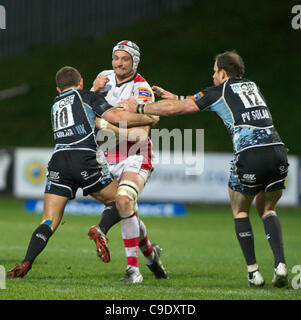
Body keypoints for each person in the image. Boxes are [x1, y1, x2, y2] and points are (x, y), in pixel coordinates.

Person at [120, 51, 289, 288]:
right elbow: (211, 101)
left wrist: (138, 108)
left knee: (240, 211)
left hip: (250, 155)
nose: (212, 76)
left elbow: (174, 110)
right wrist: (177, 96)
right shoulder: (252, 86)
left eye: (214, 71)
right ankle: (280, 264)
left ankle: (254, 273)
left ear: (222, 72)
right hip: (278, 152)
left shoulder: (219, 90)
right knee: (268, 209)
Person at [6, 66, 157, 279]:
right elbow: (114, 116)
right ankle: (100, 229)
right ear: (81, 82)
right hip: (84, 158)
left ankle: (26, 262)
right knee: (121, 202)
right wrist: (148, 117)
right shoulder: (87, 97)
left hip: (58, 161)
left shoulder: (55, 103)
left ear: (59, 89)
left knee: (48, 221)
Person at [88, 40, 168, 283]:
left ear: (134, 61)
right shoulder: (102, 78)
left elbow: (145, 127)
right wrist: (93, 90)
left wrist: (104, 123)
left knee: (123, 200)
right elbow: (85, 110)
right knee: (126, 208)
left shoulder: (142, 87)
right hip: (106, 156)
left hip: (136, 154)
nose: (119, 63)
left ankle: (133, 271)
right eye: (116, 58)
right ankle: (151, 253)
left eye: (125, 59)